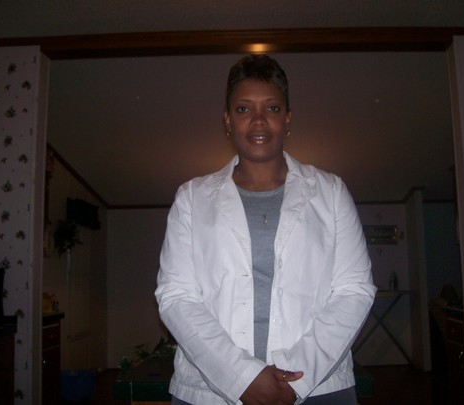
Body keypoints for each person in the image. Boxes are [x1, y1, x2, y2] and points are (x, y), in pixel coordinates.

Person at [155, 54, 376, 405]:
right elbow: (177, 296)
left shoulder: (331, 192)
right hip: (209, 391)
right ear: (228, 121)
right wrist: (242, 379)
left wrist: (294, 379)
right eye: (243, 109)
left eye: (272, 108)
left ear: (287, 119)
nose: (258, 120)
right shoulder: (192, 198)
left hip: (318, 387)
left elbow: (354, 290)